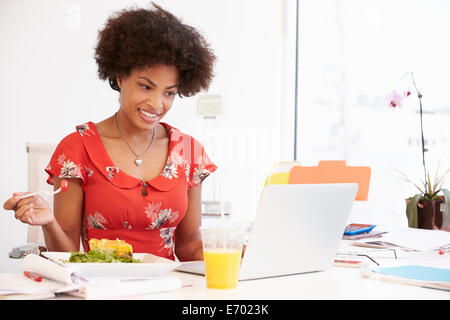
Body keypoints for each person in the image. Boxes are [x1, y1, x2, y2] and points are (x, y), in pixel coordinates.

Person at [3, 3, 217, 261]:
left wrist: (234, 253)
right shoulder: (76, 149)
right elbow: (67, 254)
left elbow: (188, 245)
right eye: (146, 87)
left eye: (169, 92)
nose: (157, 104)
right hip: (101, 288)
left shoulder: (191, 152)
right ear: (119, 77)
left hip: (169, 288)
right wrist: (49, 222)